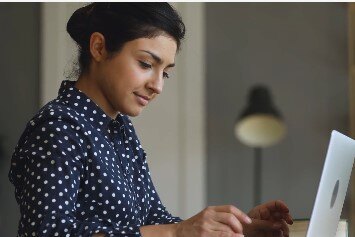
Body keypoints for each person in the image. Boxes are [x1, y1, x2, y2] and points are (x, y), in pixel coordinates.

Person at [8, 3, 293, 237]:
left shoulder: (120, 130)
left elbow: (156, 220)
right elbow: (47, 232)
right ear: (98, 47)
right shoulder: (58, 126)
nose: (158, 85)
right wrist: (178, 232)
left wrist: (241, 228)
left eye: (165, 72)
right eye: (146, 64)